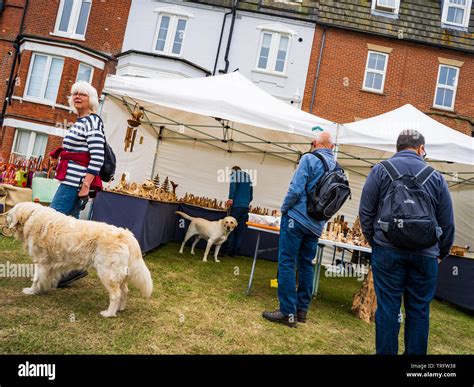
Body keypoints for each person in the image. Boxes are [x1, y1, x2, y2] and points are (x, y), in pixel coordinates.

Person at [359, 129, 455, 355]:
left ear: (397, 148)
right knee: (419, 311)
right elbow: (447, 223)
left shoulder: (380, 170)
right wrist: (441, 252)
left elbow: (366, 213)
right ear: (421, 149)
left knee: (387, 309)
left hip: (387, 251)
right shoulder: (436, 177)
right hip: (425, 255)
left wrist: (377, 243)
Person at [262, 132, 336, 327]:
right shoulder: (336, 167)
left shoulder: (309, 158)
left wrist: (284, 209)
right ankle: (301, 311)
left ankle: (287, 312)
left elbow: (295, 189)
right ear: (332, 147)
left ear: (315, 143)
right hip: (316, 224)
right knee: (306, 264)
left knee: (286, 262)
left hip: (296, 218)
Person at [50, 81, 106, 288]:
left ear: (91, 99)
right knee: (69, 227)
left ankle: (58, 269)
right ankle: (72, 268)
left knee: (53, 223)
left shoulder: (92, 121)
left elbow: (97, 156)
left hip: (73, 183)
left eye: (82, 94)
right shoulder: (80, 121)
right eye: (74, 94)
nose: (77, 96)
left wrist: (85, 185)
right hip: (70, 181)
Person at [222, 166, 253, 257]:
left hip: (236, 206)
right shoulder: (248, 177)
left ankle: (226, 251)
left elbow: (233, 186)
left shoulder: (234, 174)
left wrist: (231, 198)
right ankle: (234, 253)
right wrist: (246, 202)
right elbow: (251, 196)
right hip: (245, 207)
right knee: (240, 230)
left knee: (230, 229)